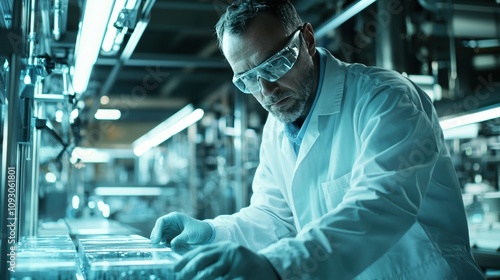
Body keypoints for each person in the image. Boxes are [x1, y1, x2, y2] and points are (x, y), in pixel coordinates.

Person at [150, 1, 485, 279]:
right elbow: (273, 218)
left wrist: (277, 266)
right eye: (249, 79)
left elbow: (380, 205)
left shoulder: (384, 99)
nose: (267, 90)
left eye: (276, 64)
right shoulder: (276, 126)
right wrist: (210, 232)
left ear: (307, 40)